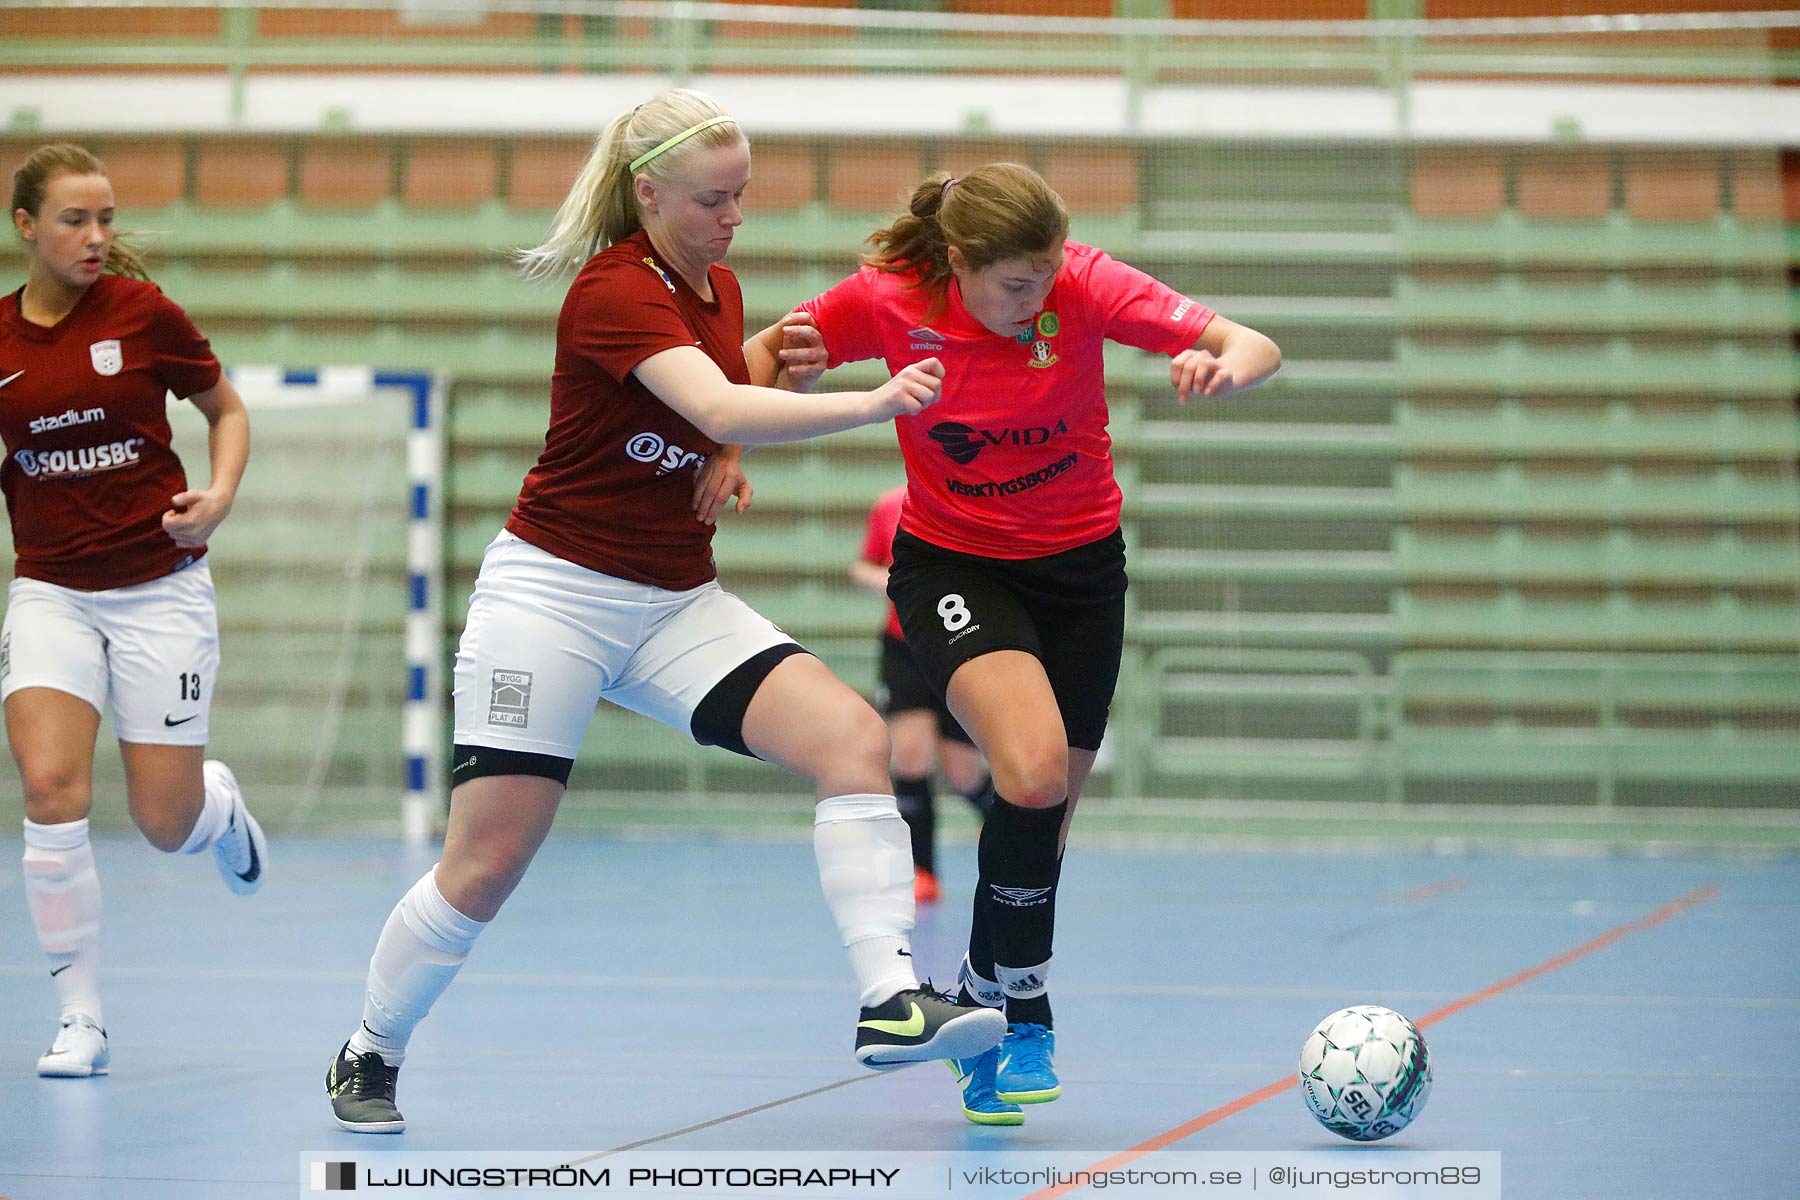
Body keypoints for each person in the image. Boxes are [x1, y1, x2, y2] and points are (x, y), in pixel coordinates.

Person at [322, 89, 1004, 1134]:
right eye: (710, 200)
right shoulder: (612, 290)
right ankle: (372, 1048)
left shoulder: (716, 287)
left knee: (855, 743)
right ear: (647, 193)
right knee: (488, 861)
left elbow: (724, 391)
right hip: (552, 598)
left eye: (741, 197)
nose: (732, 218)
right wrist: (870, 402)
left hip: (676, 602)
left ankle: (889, 1004)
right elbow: (722, 401)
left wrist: (733, 431)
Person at [785, 163, 1282, 1124]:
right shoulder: (890, 299)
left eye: (1046, 276)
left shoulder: (1083, 283)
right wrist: (731, 441)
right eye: (1015, 284)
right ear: (961, 264)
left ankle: (975, 996)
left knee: (1041, 820)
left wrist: (1225, 367)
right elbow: (765, 354)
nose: (1037, 298)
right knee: (1036, 767)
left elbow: (1251, 340)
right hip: (955, 567)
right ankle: (1027, 1009)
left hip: (1083, 576)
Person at [3, 143, 264, 1078]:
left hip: (160, 589)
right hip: (51, 593)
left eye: (107, 218)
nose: (97, 237)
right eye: (75, 219)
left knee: (164, 821)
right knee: (49, 790)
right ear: (26, 225)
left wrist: (222, 493)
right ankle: (80, 1017)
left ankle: (220, 811)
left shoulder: (142, 314)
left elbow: (224, 409)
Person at [851, 484, 991, 904]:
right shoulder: (889, 504)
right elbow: (863, 567)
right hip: (904, 648)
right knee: (910, 757)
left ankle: (1013, 830)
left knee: (963, 771)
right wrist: (891, 581)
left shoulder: (972, 505)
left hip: (959, 645)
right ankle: (922, 871)